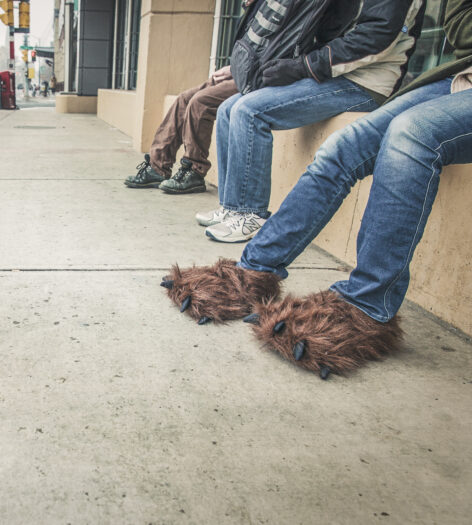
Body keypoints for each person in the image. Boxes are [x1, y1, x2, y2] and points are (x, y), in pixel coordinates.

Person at [164, 0, 472, 380]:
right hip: (460, 78)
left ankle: (367, 305)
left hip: (370, 79)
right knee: (342, 146)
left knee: (412, 136)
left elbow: (387, 31)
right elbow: (459, 29)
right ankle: (254, 270)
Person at [201, 0, 426, 242]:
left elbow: (376, 39)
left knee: (249, 111)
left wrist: (303, 66)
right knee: (228, 108)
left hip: (366, 83)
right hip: (329, 75)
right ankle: (232, 206)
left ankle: (250, 214)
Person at [124, 0, 335, 195]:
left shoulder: (308, 7)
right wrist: (234, 67)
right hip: (245, 69)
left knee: (201, 102)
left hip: (266, 75)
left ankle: (194, 170)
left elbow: (288, 45)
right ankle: (157, 166)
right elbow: (258, 41)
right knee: (184, 99)